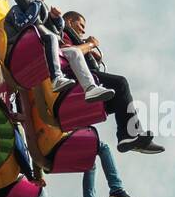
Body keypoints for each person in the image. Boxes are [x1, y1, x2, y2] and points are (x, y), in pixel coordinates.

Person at [62, 10, 164, 154]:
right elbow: (69, 53)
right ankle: (129, 135)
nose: (83, 30)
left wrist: (91, 55)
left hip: (82, 85)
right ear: (70, 22)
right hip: (73, 81)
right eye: (81, 25)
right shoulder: (62, 33)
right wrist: (90, 45)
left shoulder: (75, 39)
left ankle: (129, 138)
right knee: (120, 83)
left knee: (119, 98)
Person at [0, 0, 114, 103]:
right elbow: (23, 25)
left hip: (34, 48)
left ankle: (90, 88)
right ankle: (56, 78)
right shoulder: (16, 10)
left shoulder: (41, 15)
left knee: (74, 52)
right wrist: (35, 6)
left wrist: (56, 19)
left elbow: (58, 34)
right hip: (15, 49)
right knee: (50, 37)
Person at [78, 137, 143, 197]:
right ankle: (116, 189)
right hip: (60, 141)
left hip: (51, 154)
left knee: (90, 163)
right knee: (103, 147)